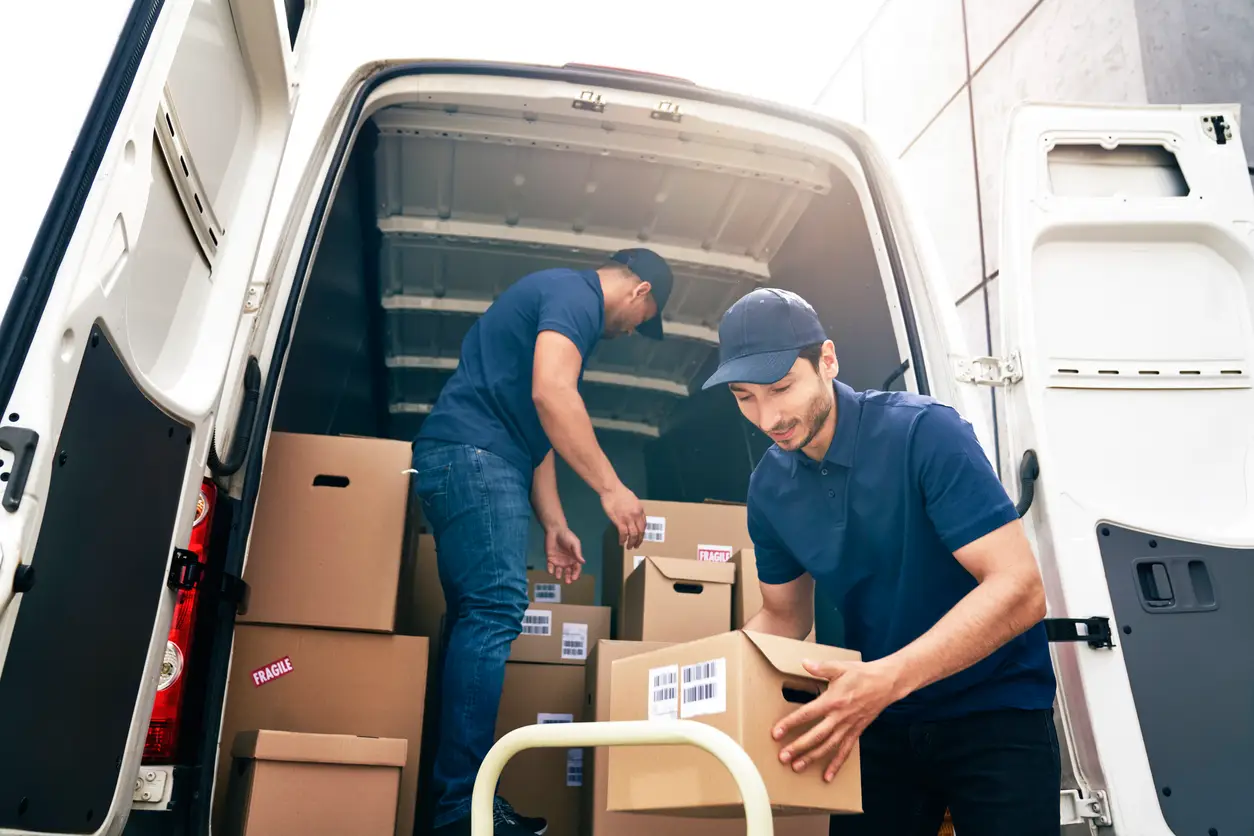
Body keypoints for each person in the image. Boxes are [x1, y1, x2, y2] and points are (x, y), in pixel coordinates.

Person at [701, 288, 1059, 836]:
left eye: (781, 388)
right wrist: (707, 689)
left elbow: (1020, 587)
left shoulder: (924, 433)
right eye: (745, 397)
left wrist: (887, 679)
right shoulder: (769, 488)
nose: (768, 416)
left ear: (827, 360)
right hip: (874, 720)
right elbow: (782, 617)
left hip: (992, 708)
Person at [412, 249, 674, 836]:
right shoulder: (574, 296)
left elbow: (538, 433)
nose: (633, 332)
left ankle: (458, 801)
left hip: (476, 456)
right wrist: (610, 489)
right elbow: (552, 396)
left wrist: (554, 522)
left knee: (474, 621)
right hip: (475, 457)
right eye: (644, 318)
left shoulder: (558, 300)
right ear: (640, 291)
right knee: (496, 609)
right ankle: (461, 811)